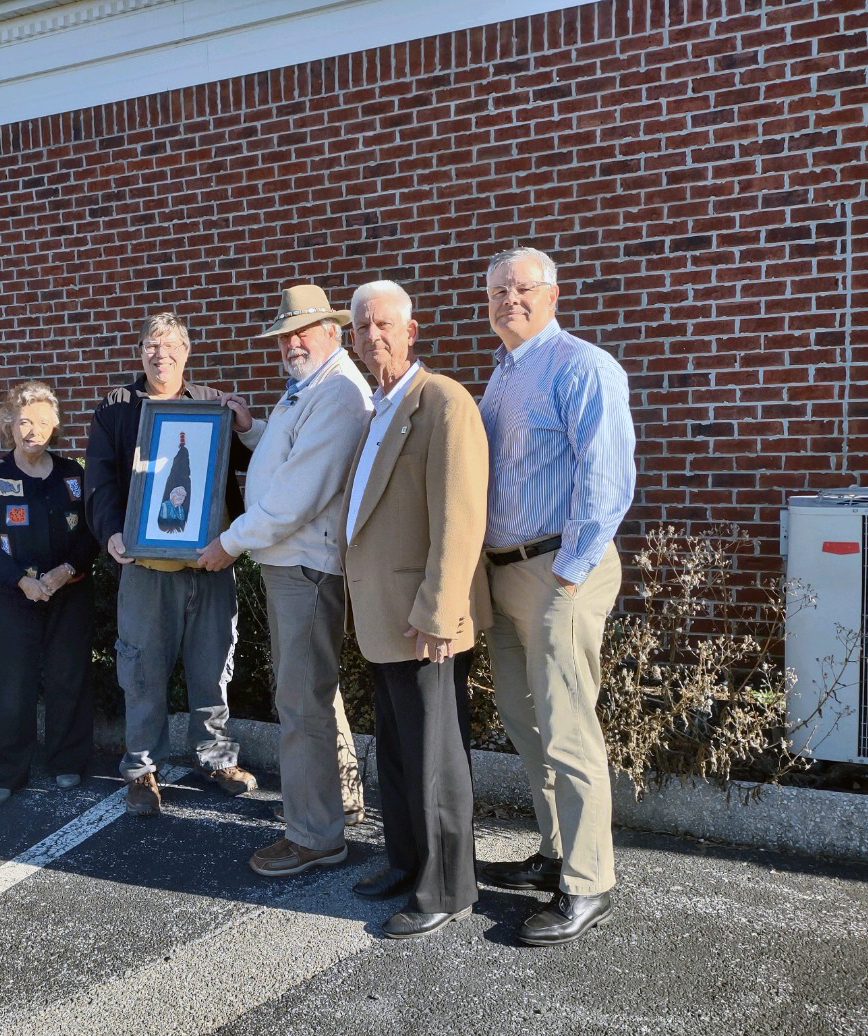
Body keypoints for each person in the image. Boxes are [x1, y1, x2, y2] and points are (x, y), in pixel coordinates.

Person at [476, 245, 636, 947]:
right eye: (496, 291)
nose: (508, 298)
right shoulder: (503, 373)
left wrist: (568, 572)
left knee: (569, 730)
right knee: (523, 718)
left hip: (557, 572)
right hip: (504, 571)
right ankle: (554, 850)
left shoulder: (581, 365)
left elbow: (606, 477)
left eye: (521, 287)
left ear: (552, 293)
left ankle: (588, 880)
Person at [197, 284, 371, 877]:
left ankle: (314, 836)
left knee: (301, 703)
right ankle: (335, 808)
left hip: (303, 564)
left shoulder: (341, 393)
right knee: (312, 697)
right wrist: (251, 430)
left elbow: (297, 497)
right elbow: (287, 454)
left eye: (303, 330)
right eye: (284, 334)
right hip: (293, 562)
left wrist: (229, 542)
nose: (291, 342)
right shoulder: (314, 388)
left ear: (332, 331)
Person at [340, 280, 489, 941]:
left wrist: (438, 610)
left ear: (411, 330)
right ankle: (404, 863)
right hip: (381, 617)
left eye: (383, 326)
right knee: (398, 754)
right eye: (361, 327)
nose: (372, 336)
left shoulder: (443, 404)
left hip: (423, 620)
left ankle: (446, 888)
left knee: (435, 760)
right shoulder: (378, 408)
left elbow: (458, 520)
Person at [84, 312, 258, 815]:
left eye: (170, 346)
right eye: (149, 346)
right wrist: (111, 532)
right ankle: (141, 768)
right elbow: (99, 478)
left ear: (186, 352)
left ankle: (217, 756)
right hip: (145, 567)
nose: (160, 355)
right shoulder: (117, 407)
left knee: (212, 665)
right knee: (141, 667)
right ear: (140, 353)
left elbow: (252, 462)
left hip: (209, 561)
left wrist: (244, 425)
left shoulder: (210, 405)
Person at [0, 381, 99, 804]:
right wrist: (22, 581)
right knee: (11, 683)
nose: (33, 430)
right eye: (25, 421)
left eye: (43, 421)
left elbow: (91, 534)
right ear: (9, 424)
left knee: (69, 676)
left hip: (69, 592)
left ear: (56, 426)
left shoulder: (73, 475)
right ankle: (5, 772)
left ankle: (67, 762)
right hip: (13, 597)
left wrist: (66, 570)